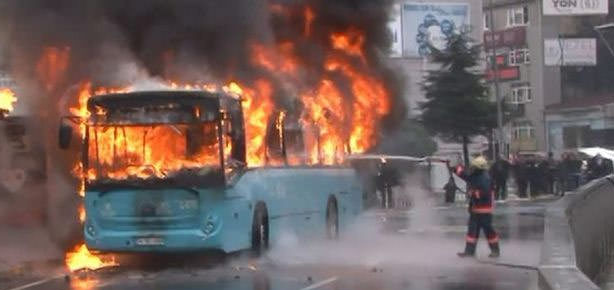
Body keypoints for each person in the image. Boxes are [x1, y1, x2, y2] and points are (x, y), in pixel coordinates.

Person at [455, 156, 500, 258]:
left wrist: (472, 193)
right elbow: (465, 176)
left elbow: (484, 193)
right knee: (472, 232)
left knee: (489, 231)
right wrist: (455, 167)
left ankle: (495, 250)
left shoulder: (485, 178)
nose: (471, 168)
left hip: (484, 210)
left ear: (478, 168)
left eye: (473, 167)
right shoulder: (476, 175)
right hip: (476, 210)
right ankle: (469, 251)